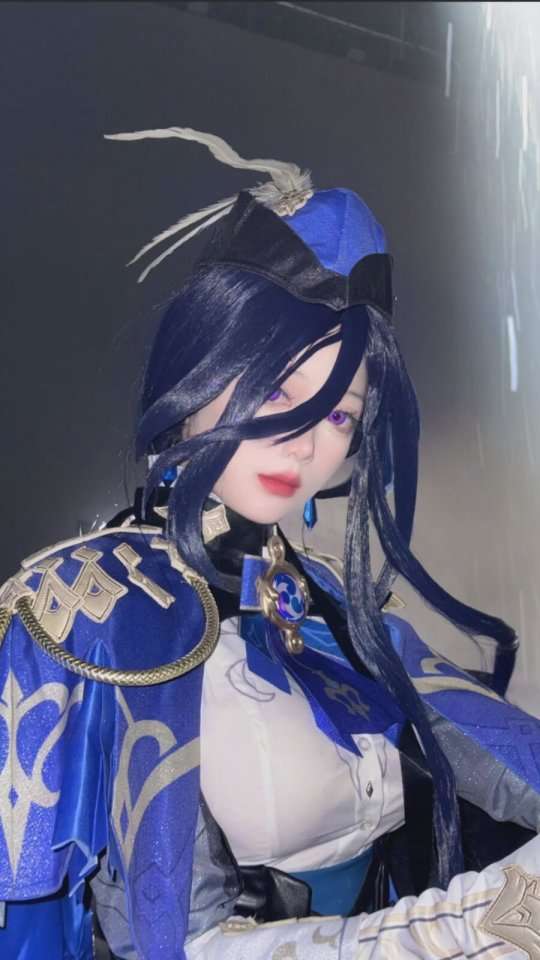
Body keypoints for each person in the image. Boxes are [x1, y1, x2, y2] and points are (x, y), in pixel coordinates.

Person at [0, 127, 539, 960]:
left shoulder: (329, 599)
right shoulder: (84, 611)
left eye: (341, 414)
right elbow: (172, 942)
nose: (308, 441)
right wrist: (472, 925)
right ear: (198, 369)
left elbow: (497, 754)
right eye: (280, 388)